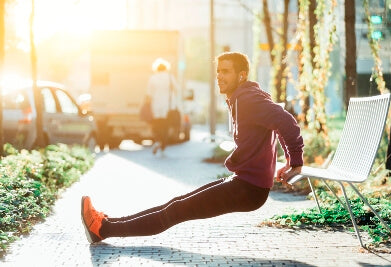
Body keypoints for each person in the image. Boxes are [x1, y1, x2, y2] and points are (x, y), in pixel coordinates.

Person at [81, 52, 304, 244]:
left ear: (241, 75)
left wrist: (295, 162)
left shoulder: (248, 100)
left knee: (174, 212)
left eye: (226, 71)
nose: (219, 76)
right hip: (245, 183)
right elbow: (279, 124)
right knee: (175, 205)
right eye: (218, 71)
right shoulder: (242, 98)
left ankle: (102, 230)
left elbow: (287, 122)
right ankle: (106, 223)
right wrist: (288, 161)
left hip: (249, 189)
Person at [146, 58, 179, 156]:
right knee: (165, 126)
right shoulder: (169, 77)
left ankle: (157, 140)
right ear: (166, 68)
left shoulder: (153, 78)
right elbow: (177, 89)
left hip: (156, 105)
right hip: (168, 107)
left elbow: (149, 93)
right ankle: (163, 145)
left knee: (156, 125)